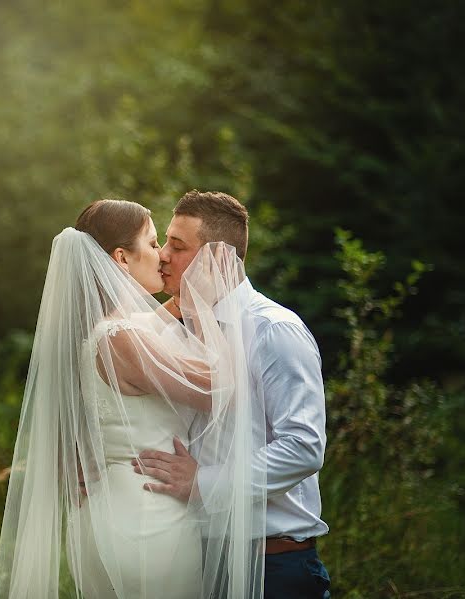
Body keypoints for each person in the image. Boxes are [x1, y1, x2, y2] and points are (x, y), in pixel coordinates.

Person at [0, 199, 266, 598]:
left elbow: (156, 323)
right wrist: (205, 299)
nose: (163, 256)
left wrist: (184, 297)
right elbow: (219, 387)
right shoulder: (123, 338)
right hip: (146, 519)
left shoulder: (106, 330)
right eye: (154, 244)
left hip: (109, 512)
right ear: (121, 257)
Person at [133, 190, 331, 599]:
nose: (163, 256)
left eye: (178, 245)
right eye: (165, 242)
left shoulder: (273, 330)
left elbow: (303, 447)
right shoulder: (175, 330)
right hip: (194, 561)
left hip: (273, 567)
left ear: (219, 259)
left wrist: (204, 484)